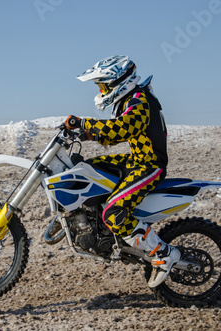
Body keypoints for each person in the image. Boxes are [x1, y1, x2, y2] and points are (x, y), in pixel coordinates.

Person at [65, 55, 180, 288]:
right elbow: (116, 134)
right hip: (135, 160)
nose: (100, 90)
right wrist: (86, 134)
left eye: (102, 85)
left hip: (149, 165)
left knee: (114, 213)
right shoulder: (132, 99)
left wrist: (86, 124)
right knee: (88, 169)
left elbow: (123, 129)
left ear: (118, 81)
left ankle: (163, 252)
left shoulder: (141, 100)